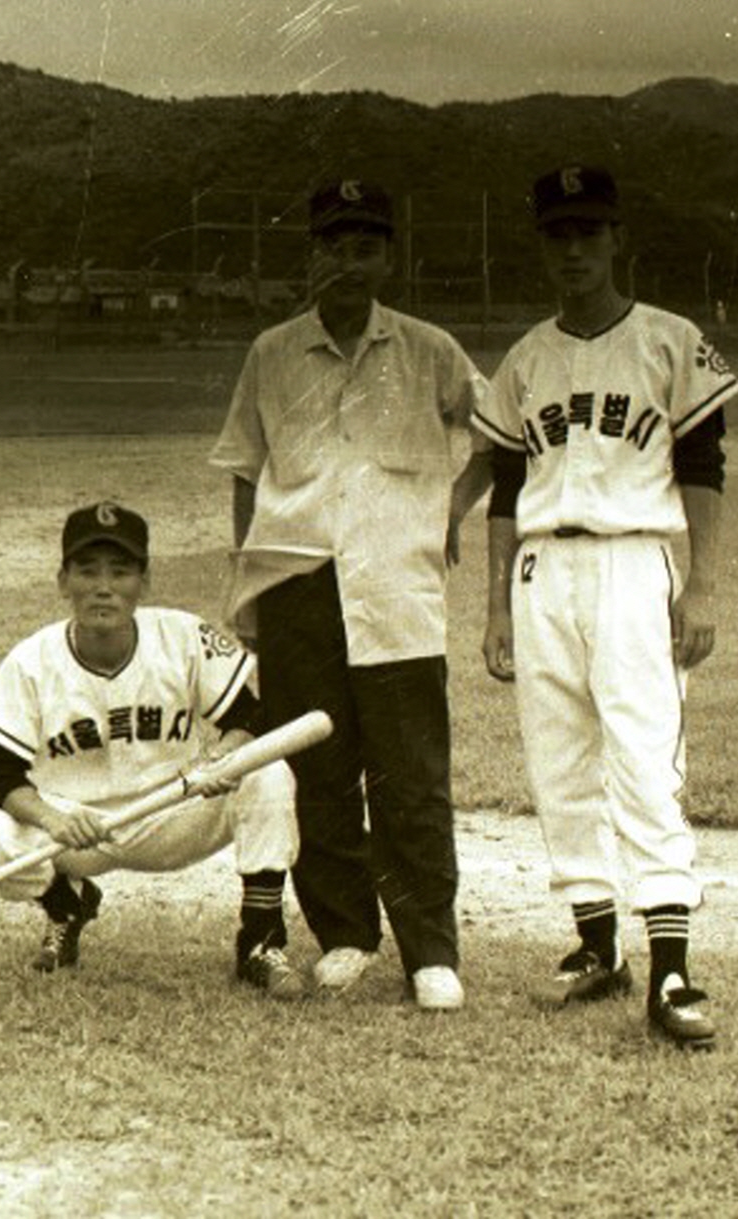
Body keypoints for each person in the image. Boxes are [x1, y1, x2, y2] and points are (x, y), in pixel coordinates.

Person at [475, 165, 738, 1049]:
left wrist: (700, 584)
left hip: (633, 565)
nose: (575, 247)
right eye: (559, 232)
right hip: (542, 570)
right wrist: (496, 607)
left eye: (590, 230)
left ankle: (670, 964)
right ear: (542, 244)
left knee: (641, 754)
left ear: (617, 236)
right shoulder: (525, 358)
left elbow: (703, 468)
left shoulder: (670, 341)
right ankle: (598, 945)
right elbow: (507, 488)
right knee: (558, 761)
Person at [209, 178, 490, 1012]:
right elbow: (245, 470)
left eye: (366, 245)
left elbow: (505, 435)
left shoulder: (431, 349)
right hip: (297, 580)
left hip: (396, 584)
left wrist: (449, 512)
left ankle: (430, 950)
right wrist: (249, 574)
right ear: (312, 254)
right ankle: (345, 933)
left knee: (410, 774)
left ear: (388, 257)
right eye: (333, 245)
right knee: (316, 767)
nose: (349, 262)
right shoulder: (272, 351)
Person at [0, 501, 305, 999]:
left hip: (175, 809)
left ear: (145, 582)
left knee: (267, 772)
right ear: (63, 581)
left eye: (120, 572)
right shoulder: (31, 661)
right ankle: (66, 908)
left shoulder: (182, 637)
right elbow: (1, 773)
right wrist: (54, 820)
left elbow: (250, 717)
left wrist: (223, 757)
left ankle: (260, 941)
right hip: (81, 828)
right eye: (87, 571)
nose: (103, 587)